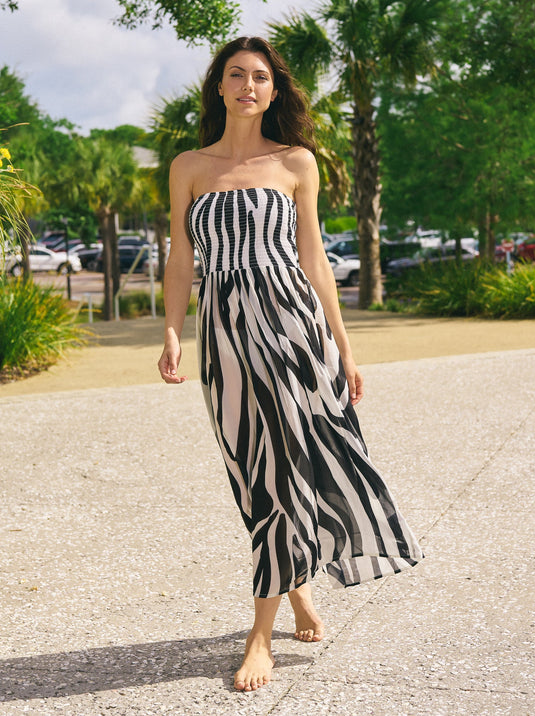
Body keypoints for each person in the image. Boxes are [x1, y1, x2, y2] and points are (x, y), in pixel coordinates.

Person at [158, 36, 423, 693]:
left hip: (294, 330)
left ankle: (259, 635)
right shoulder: (189, 166)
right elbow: (182, 257)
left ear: (274, 91)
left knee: (289, 465)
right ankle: (297, 584)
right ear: (218, 87)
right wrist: (169, 331)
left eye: (261, 77)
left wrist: (344, 344)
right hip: (226, 338)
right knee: (253, 472)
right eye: (236, 75)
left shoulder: (296, 162)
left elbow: (314, 261)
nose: (249, 85)